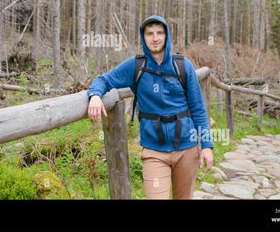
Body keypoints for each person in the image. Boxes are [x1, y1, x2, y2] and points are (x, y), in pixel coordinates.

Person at [87, 15, 214, 199]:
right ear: (143, 37)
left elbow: (198, 109)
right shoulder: (136, 66)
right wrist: (95, 95)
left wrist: (207, 146)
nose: (155, 38)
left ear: (167, 35)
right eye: (150, 33)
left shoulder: (183, 66)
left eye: (160, 33)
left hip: (187, 147)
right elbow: (104, 79)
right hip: (154, 150)